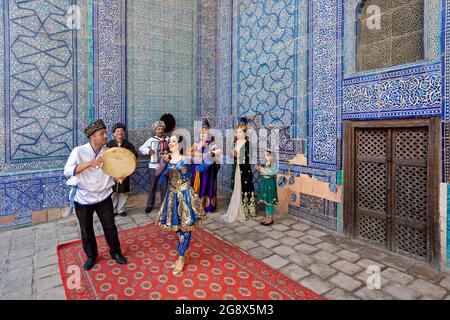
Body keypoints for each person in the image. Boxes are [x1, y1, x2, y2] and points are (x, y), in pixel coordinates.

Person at [64, 119, 127, 271]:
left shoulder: (108, 151)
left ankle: (116, 252)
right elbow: (67, 171)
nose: (106, 136)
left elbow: (111, 171)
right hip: (84, 198)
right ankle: (91, 256)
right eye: (102, 133)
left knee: (110, 227)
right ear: (93, 136)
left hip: (104, 196)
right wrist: (89, 163)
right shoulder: (79, 151)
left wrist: (118, 177)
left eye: (105, 133)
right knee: (86, 230)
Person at [155, 134, 218, 275]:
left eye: (173, 141)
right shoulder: (167, 159)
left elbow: (200, 168)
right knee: (177, 226)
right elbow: (157, 173)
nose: (170, 144)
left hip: (185, 196)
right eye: (169, 141)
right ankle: (183, 252)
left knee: (186, 226)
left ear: (180, 144)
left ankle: (181, 256)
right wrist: (164, 162)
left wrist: (212, 155)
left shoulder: (187, 159)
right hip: (172, 196)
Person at [222, 117, 256, 223]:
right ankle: (236, 208)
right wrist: (233, 155)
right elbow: (233, 156)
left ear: (245, 133)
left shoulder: (247, 144)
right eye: (237, 132)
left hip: (244, 170)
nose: (238, 134)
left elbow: (249, 158)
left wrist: (238, 155)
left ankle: (245, 211)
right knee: (237, 187)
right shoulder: (235, 143)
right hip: (236, 169)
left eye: (240, 132)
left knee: (244, 188)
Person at [106, 122, 139, 217]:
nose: (120, 132)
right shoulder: (109, 144)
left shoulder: (128, 144)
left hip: (125, 171)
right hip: (112, 171)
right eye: (117, 131)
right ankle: (113, 210)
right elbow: (105, 158)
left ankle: (121, 210)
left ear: (124, 133)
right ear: (114, 133)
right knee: (113, 192)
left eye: (121, 130)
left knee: (123, 192)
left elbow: (134, 155)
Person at [139, 120, 170, 214]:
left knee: (164, 186)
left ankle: (163, 205)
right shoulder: (151, 140)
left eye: (161, 129)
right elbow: (141, 148)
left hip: (164, 166)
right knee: (153, 186)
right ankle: (149, 205)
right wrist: (148, 151)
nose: (160, 131)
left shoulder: (168, 139)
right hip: (154, 166)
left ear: (163, 129)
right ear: (155, 130)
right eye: (158, 129)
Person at [190, 119, 221, 212]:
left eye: (205, 133)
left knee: (207, 186)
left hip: (208, 171)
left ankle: (207, 205)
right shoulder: (196, 144)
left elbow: (217, 154)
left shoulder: (212, 145)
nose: (203, 135)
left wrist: (212, 154)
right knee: (197, 186)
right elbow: (190, 156)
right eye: (201, 133)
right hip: (197, 170)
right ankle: (196, 205)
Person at [256, 149, 279, 225]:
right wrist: (260, 169)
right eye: (265, 155)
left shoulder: (274, 163)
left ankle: (270, 218)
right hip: (265, 182)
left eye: (268, 155)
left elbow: (271, 172)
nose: (266, 157)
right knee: (266, 200)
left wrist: (261, 169)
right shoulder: (266, 163)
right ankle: (267, 217)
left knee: (270, 200)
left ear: (272, 155)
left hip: (270, 183)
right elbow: (265, 171)